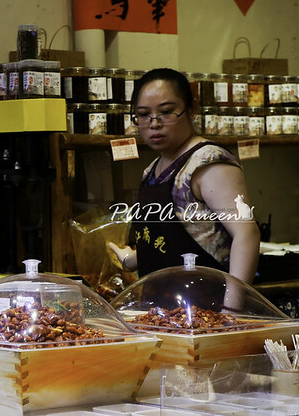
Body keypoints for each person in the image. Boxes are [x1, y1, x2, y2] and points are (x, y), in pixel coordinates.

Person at [107, 68, 260, 292]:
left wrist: (232, 311)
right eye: (143, 114)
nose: (154, 123)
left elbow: (246, 234)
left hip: (207, 309)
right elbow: (174, 238)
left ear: (192, 109)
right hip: (162, 310)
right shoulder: (152, 170)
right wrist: (134, 258)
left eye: (166, 112)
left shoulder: (208, 162)